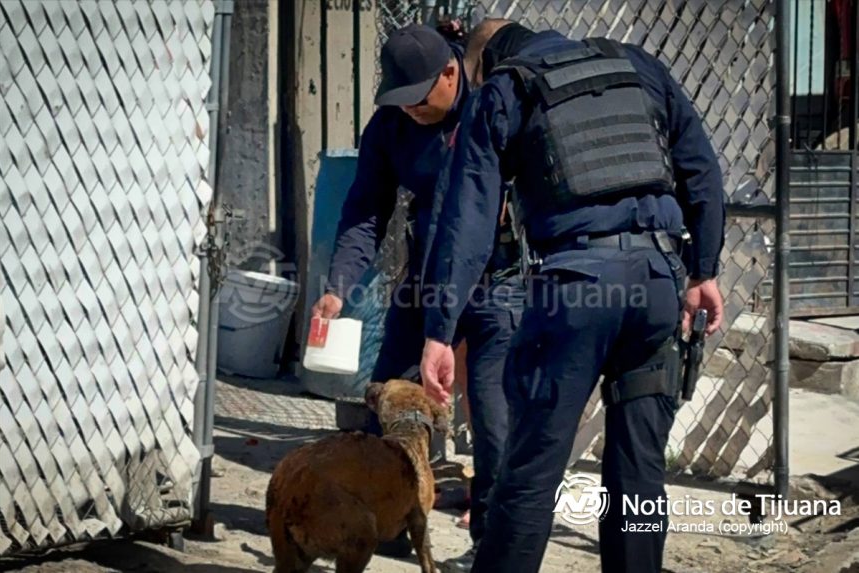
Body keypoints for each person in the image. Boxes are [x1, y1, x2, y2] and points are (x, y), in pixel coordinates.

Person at [420, 20, 725, 573]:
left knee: (531, 472)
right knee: (638, 475)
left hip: (576, 290)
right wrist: (702, 271)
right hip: (659, 281)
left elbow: (467, 220)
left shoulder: (505, 88)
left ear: (486, 64)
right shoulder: (640, 65)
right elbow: (702, 170)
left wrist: (440, 330)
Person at [309, 24, 524, 563]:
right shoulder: (391, 126)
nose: (411, 110)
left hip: (497, 282)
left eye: (420, 99)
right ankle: (390, 510)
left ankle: (491, 543)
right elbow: (365, 209)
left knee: (494, 415)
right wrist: (337, 288)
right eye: (400, 101)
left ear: (451, 73)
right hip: (426, 279)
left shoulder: (492, 106)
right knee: (389, 396)